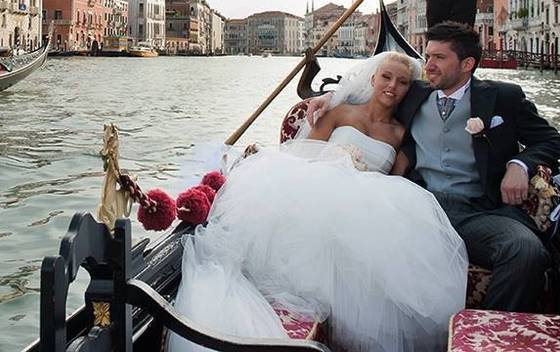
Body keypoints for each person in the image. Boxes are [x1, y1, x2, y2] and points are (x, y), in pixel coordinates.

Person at [169, 52, 469, 352]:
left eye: (403, 82)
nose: (392, 86)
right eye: (386, 77)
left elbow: (395, 181)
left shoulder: (402, 134)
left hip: (369, 210)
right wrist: (337, 159)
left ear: (409, 89)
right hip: (318, 191)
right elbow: (304, 153)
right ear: (372, 78)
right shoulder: (339, 112)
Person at [307, 21, 560, 312]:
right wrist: (325, 98)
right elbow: (369, 92)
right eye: (428, 56)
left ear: (467, 63)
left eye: (439, 58)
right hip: (418, 207)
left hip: (478, 211)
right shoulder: (414, 92)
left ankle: (482, 334)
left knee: (526, 250)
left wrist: (519, 164)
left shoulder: (504, 97)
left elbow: (551, 141)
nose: (428, 65)